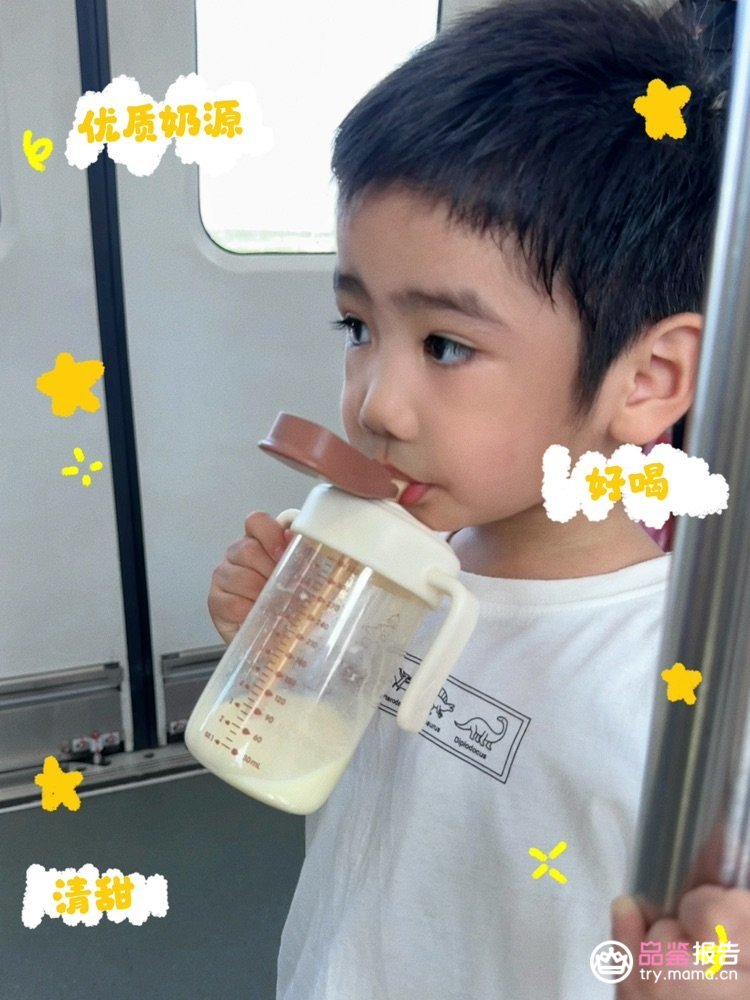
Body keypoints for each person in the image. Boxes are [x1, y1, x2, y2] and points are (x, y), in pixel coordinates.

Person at [207, 0, 750, 995]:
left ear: (646, 380)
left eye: (446, 345)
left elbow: (710, 946)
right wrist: (279, 656)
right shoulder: (394, 575)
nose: (377, 403)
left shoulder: (685, 695)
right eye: (356, 325)